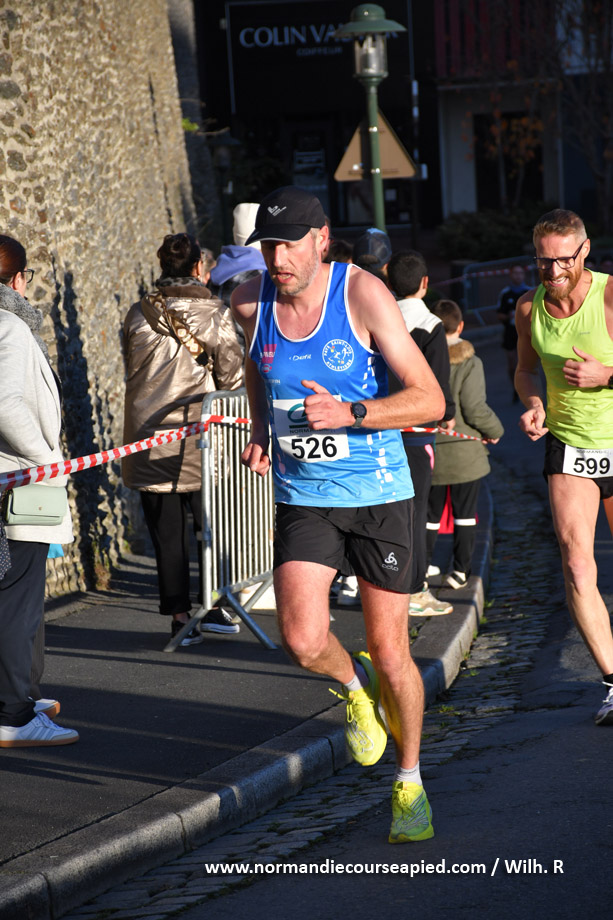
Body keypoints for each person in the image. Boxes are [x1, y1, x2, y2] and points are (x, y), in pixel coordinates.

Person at [232, 186, 444, 843]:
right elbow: (257, 369)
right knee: (300, 639)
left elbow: (430, 400)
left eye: (290, 244)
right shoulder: (248, 302)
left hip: (379, 494)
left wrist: (352, 412)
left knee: (392, 650)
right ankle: (354, 687)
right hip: (304, 496)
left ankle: (409, 782)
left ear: (321, 240)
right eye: (269, 245)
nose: (278, 258)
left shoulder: (362, 295)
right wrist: (263, 429)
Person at [514, 208, 613, 725]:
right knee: (577, 567)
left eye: (563, 260)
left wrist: (606, 375)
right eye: (542, 261)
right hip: (570, 446)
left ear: (584, 250)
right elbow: (525, 370)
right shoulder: (528, 307)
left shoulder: (610, 298)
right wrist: (534, 403)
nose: (553, 271)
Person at [122, 233, 244, 646]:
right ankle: (214, 605)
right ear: (197, 268)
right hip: (201, 437)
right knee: (213, 527)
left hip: (148, 437)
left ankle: (179, 619)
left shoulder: (138, 314)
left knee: (166, 534)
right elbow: (232, 378)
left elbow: (132, 368)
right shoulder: (214, 313)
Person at [0, 234, 78, 747]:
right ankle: (14, 712)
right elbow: (5, 404)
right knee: (18, 601)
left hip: (13, 480)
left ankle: (19, 697)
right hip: (18, 482)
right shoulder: (8, 325)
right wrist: (47, 460)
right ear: (18, 279)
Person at [387, 251, 456, 617]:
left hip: (380, 424)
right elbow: (439, 384)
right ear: (425, 283)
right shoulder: (431, 325)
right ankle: (414, 590)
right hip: (416, 430)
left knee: (386, 509)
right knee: (415, 510)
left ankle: (379, 584)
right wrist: (449, 414)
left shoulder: (380, 318)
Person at [426, 299, 503, 588]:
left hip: (431, 448)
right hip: (465, 452)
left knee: (429, 515)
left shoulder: (423, 359)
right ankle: (460, 571)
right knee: (465, 514)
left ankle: (424, 566)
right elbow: (474, 408)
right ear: (460, 326)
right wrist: (495, 430)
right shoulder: (470, 362)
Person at [496, 264, 531, 402]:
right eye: (515, 273)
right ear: (511, 275)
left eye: (520, 273)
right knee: (512, 364)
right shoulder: (505, 293)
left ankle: (529, 389)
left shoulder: (529, 293)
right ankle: (515, 388)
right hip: (510, 332)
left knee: (528, 363)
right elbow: (499, 314)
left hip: (527, 333)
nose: (518, 276)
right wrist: (509, 316)